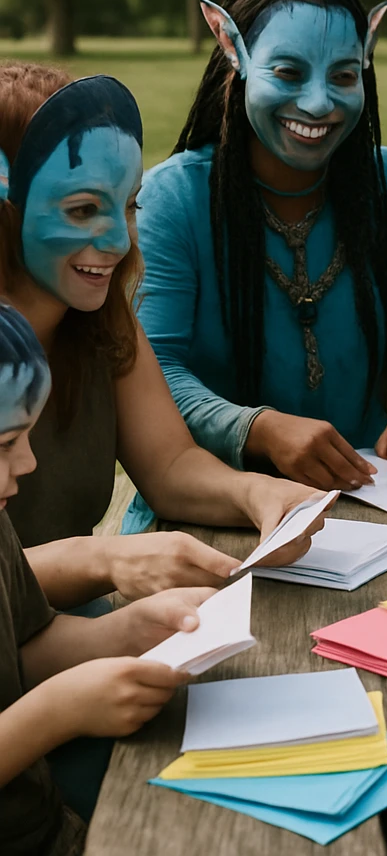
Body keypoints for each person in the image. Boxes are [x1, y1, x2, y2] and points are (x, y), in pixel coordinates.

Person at [124, 0, 387, 534]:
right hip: (206, 519)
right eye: (288, 73)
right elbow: (153, 370)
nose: (319, 104)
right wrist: (259, 428)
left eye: (343, 77)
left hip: (369, 508)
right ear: (234, 55)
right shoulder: (173, 197)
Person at [0, 65, 323, 608]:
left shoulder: (100, 319)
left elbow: (170, 466)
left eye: (128, 206)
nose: (118, 241)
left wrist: (260, 494)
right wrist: (106, 559)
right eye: (82, 210)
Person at [0, 300, 212, 856]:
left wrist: (123, 633)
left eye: (27, 436)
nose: (27, 463)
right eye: (4, 444)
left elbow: (20, 650)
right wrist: (59, 711)